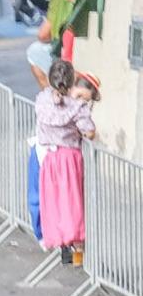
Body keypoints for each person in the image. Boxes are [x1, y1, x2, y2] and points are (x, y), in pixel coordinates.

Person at [35, 57, 98, 254]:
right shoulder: (76, 107)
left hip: (50, 158)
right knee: (73, 205)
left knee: (55, 205)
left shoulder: (43, 100)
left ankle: (64, 255)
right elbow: (89, 131)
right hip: (70, 158)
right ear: (71, 81)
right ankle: (78, 256)